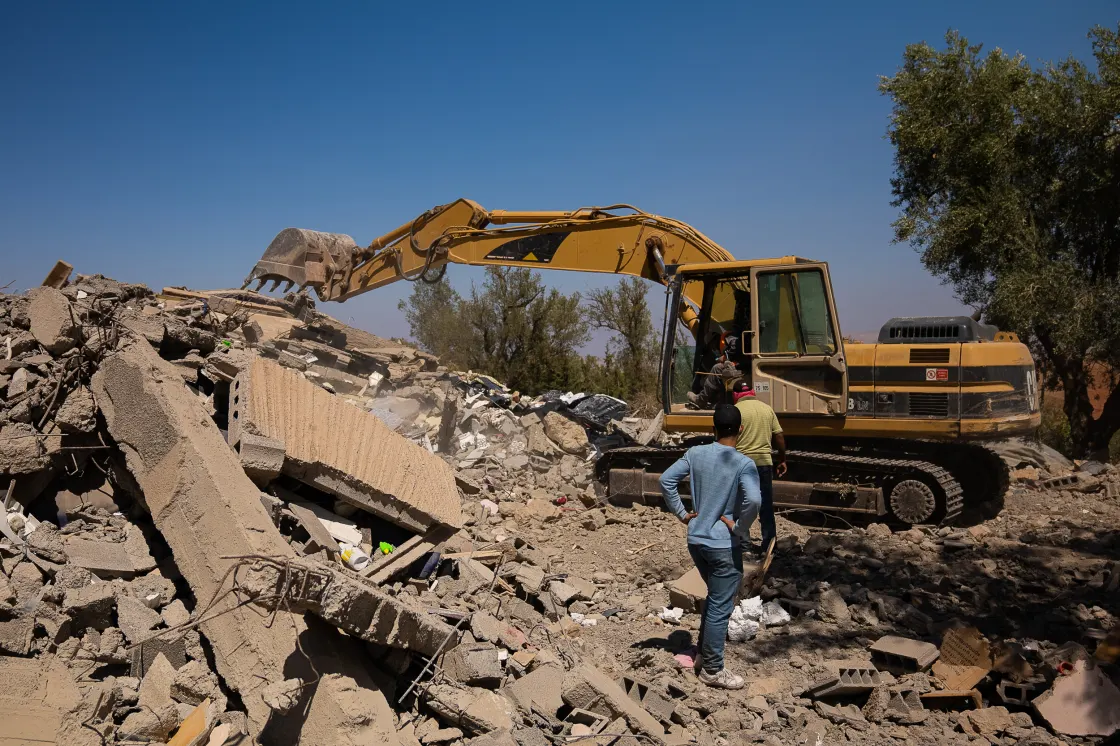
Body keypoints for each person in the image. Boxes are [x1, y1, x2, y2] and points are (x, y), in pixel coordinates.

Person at [660, 404, 761, 690]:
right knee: (720, 605)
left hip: (697, 540)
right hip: (722, 543)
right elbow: (754, 501)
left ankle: (704, 656)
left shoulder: (695, 454)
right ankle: (713, 670)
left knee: (715, 598)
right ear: (741, 430)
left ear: (713, 428)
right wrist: (740, 527)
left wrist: (682, 513)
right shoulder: (743, 463)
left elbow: (666, 480)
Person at [732, 383, 786, 555]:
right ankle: (769, 545)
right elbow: (778, 435)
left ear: (736, 394)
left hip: (741, 463)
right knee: (766, 505)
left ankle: (744, 547)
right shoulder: (767, 409)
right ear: (753, 393)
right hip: (764, 462)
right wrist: (782, 458)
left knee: (741, 504)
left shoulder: (735, 411)